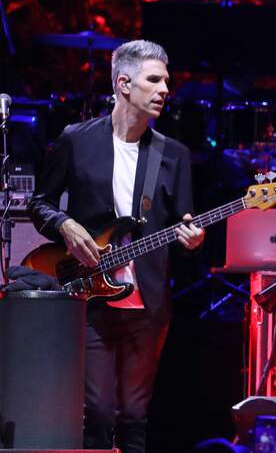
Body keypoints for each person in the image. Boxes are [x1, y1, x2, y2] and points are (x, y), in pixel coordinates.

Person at [29, 39, 204, 453]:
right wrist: (65, 224)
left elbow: (185, 227)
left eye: (167, 81)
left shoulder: (173, 155)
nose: (165, 90)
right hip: (90, 297)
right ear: (124, 84)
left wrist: (193, 240)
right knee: (99, 411)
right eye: (154, 80)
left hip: (148, 304)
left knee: (135, 416)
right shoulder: (76, 140)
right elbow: (40, 204)